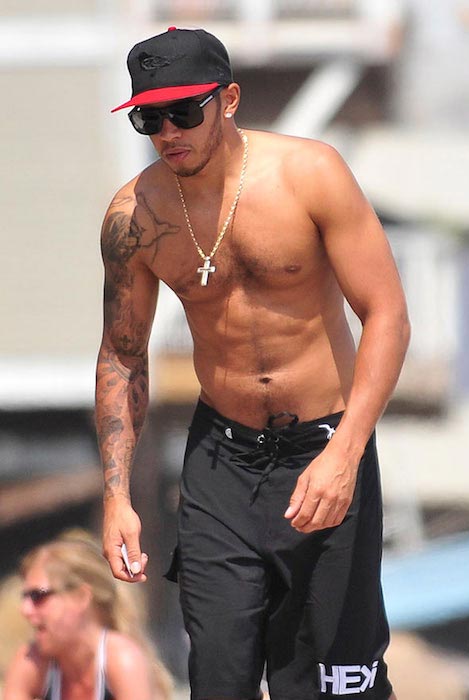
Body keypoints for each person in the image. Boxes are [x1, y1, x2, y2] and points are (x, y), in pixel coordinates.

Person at [96, 26, 410, 700]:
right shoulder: (134, 215)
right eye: (149, 118)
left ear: (229, 99)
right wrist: (117, 496)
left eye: (184, 111)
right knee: (218, 675)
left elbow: (386, 314)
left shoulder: (310, 174)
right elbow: (123, 355)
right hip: (221, 462)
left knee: (334, 681)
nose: (168, 132)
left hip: (324, 448)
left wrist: (345, 453)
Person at [3, 532, 172, 700]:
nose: (25, 610)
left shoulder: (122, 661)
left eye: (38, 596)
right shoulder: (31, 662)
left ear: (80, 597)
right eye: (25, 597)